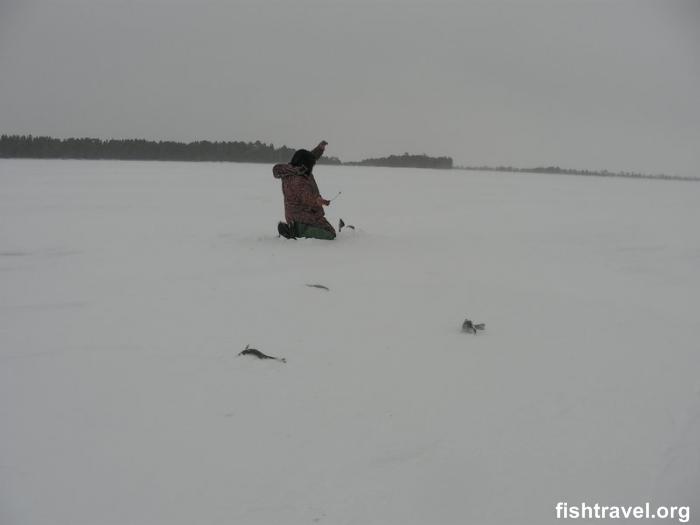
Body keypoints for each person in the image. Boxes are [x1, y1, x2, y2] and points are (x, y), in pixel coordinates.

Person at [273, 140, 336, 240]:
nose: (312, 166)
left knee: (327, 229)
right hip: (301, 215)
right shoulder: (298, 178)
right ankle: (295, 231)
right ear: (305, 164)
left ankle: (296, 228)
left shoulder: (296, 169)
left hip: (297, 213)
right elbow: (305, 196)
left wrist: (319, 149)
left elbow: (309, 157)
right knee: (330, 233)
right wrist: (317, 201)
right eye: (311, 164)